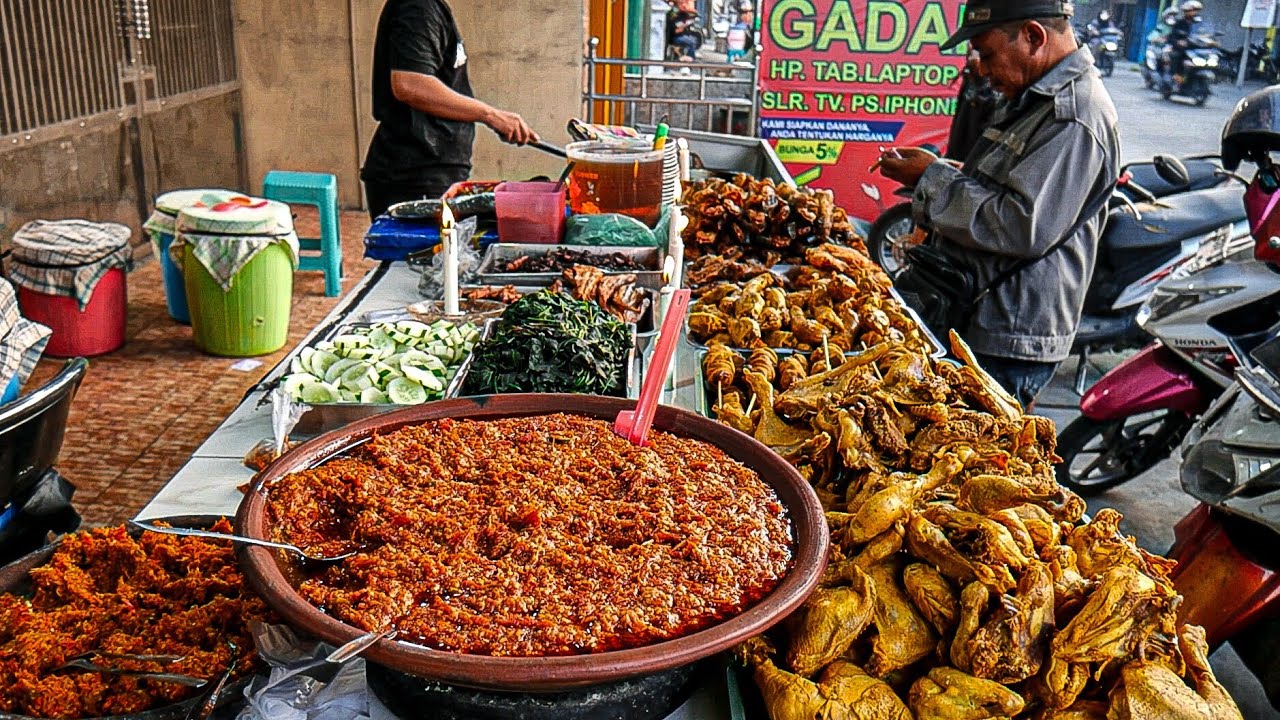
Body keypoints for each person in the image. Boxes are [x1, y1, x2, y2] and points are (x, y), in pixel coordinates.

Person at [877, 0, 1120, 407]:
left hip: (1006, 339)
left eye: (987, 54)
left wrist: (930, 179)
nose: (983, 70)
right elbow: (1002, 186)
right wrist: (943, 169)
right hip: (975, 317)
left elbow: (1019, 223)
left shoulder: (1073, 116)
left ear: (1033, 36)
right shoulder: (1033, 98)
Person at [360, 0, 539, 220]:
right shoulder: (419, 7)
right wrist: (490, 115)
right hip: (415, 175)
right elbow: (409, 83)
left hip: (432, 169)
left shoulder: (430, 7)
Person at [946, 50, 1003, 162]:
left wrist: (981, 80)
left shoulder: (999, 83)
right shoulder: (971, 76)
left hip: (978, 162)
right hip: (960, 160)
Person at [1168, 1, 1204, 84]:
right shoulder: (1179, 23)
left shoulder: (1199, 23)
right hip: (1181, 48)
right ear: (1185, 12)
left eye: (1195, 10)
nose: (1193, 12)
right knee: (1176, 55)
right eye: (1190, 10)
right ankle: (1176, 75)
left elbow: (1205, 32)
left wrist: (1210, 40)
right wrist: (1178, 42)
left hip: (1194, 48)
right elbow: (1172, 37)